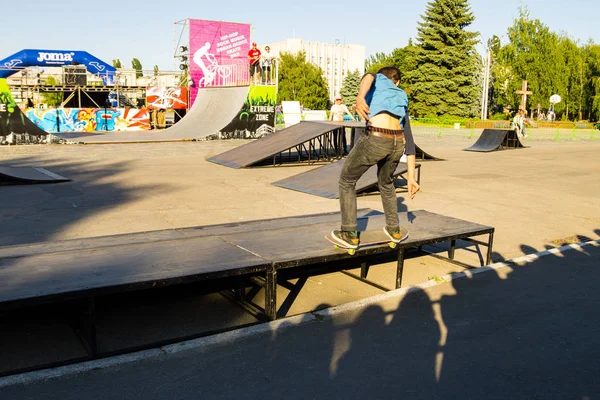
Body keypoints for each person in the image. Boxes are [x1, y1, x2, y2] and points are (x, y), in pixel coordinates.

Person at [330, 66, 420, 249]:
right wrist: (411, 177)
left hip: (377, 138)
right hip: (397, 142)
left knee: (347, 180)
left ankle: (349, 233)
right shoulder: (402, 96)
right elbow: (409, 139)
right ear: (398, 82)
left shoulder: (377, 80)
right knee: (386, 183)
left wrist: (360, 97)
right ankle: (394, 229)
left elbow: (369, 76)